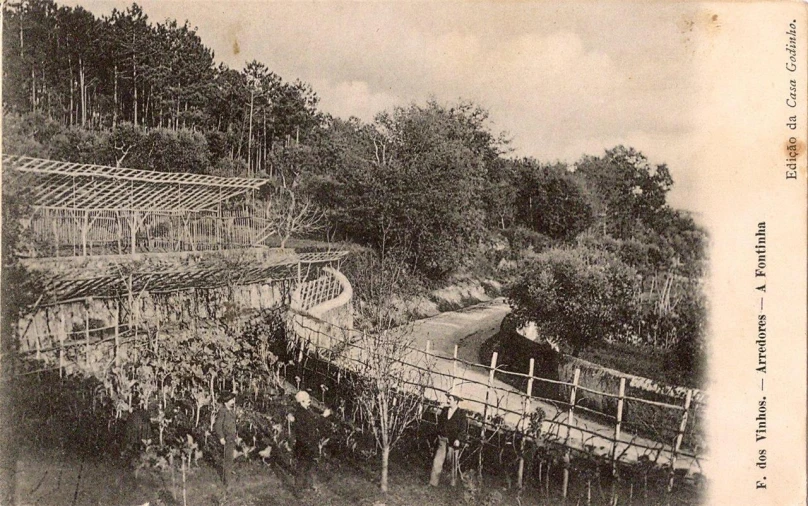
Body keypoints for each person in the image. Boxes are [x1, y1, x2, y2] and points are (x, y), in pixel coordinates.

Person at [289, 390, 331, 495]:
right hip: (304, 444)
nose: (309, 401)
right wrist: (324, 416)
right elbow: (313, 423)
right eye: (307, 399)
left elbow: (313, 420)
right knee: (302, 467)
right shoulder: (301, 413)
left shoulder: (305, 410)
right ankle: (298, 491)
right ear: (302, 401)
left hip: (307, 443)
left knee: (308, 465)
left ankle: (306, 485)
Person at [429, 391, 468, 487]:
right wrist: (438, 434)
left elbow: (463, 429)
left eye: (450, 399)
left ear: (456, 401)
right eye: (448, 398)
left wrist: (458, 439)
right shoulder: (445, 410)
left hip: (453, 443)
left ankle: (452, 485)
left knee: (452, 464)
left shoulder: (461, 414)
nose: (447, 400)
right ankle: (433, 483)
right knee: (437, 461)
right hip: (442, 440)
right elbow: (440, 424)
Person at [214, 391, 238, 488]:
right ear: (226, 402)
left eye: (233, 399)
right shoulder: (222, 411)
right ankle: (227, 482)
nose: (233, 401)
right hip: (227, 438)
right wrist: (221, 437)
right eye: (231, 400)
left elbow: (233, 425)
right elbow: (218, 425)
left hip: (232, 437)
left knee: (230, 458)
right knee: (228, 460)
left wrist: (236, 435)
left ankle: (228, 476)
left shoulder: (230, 410)